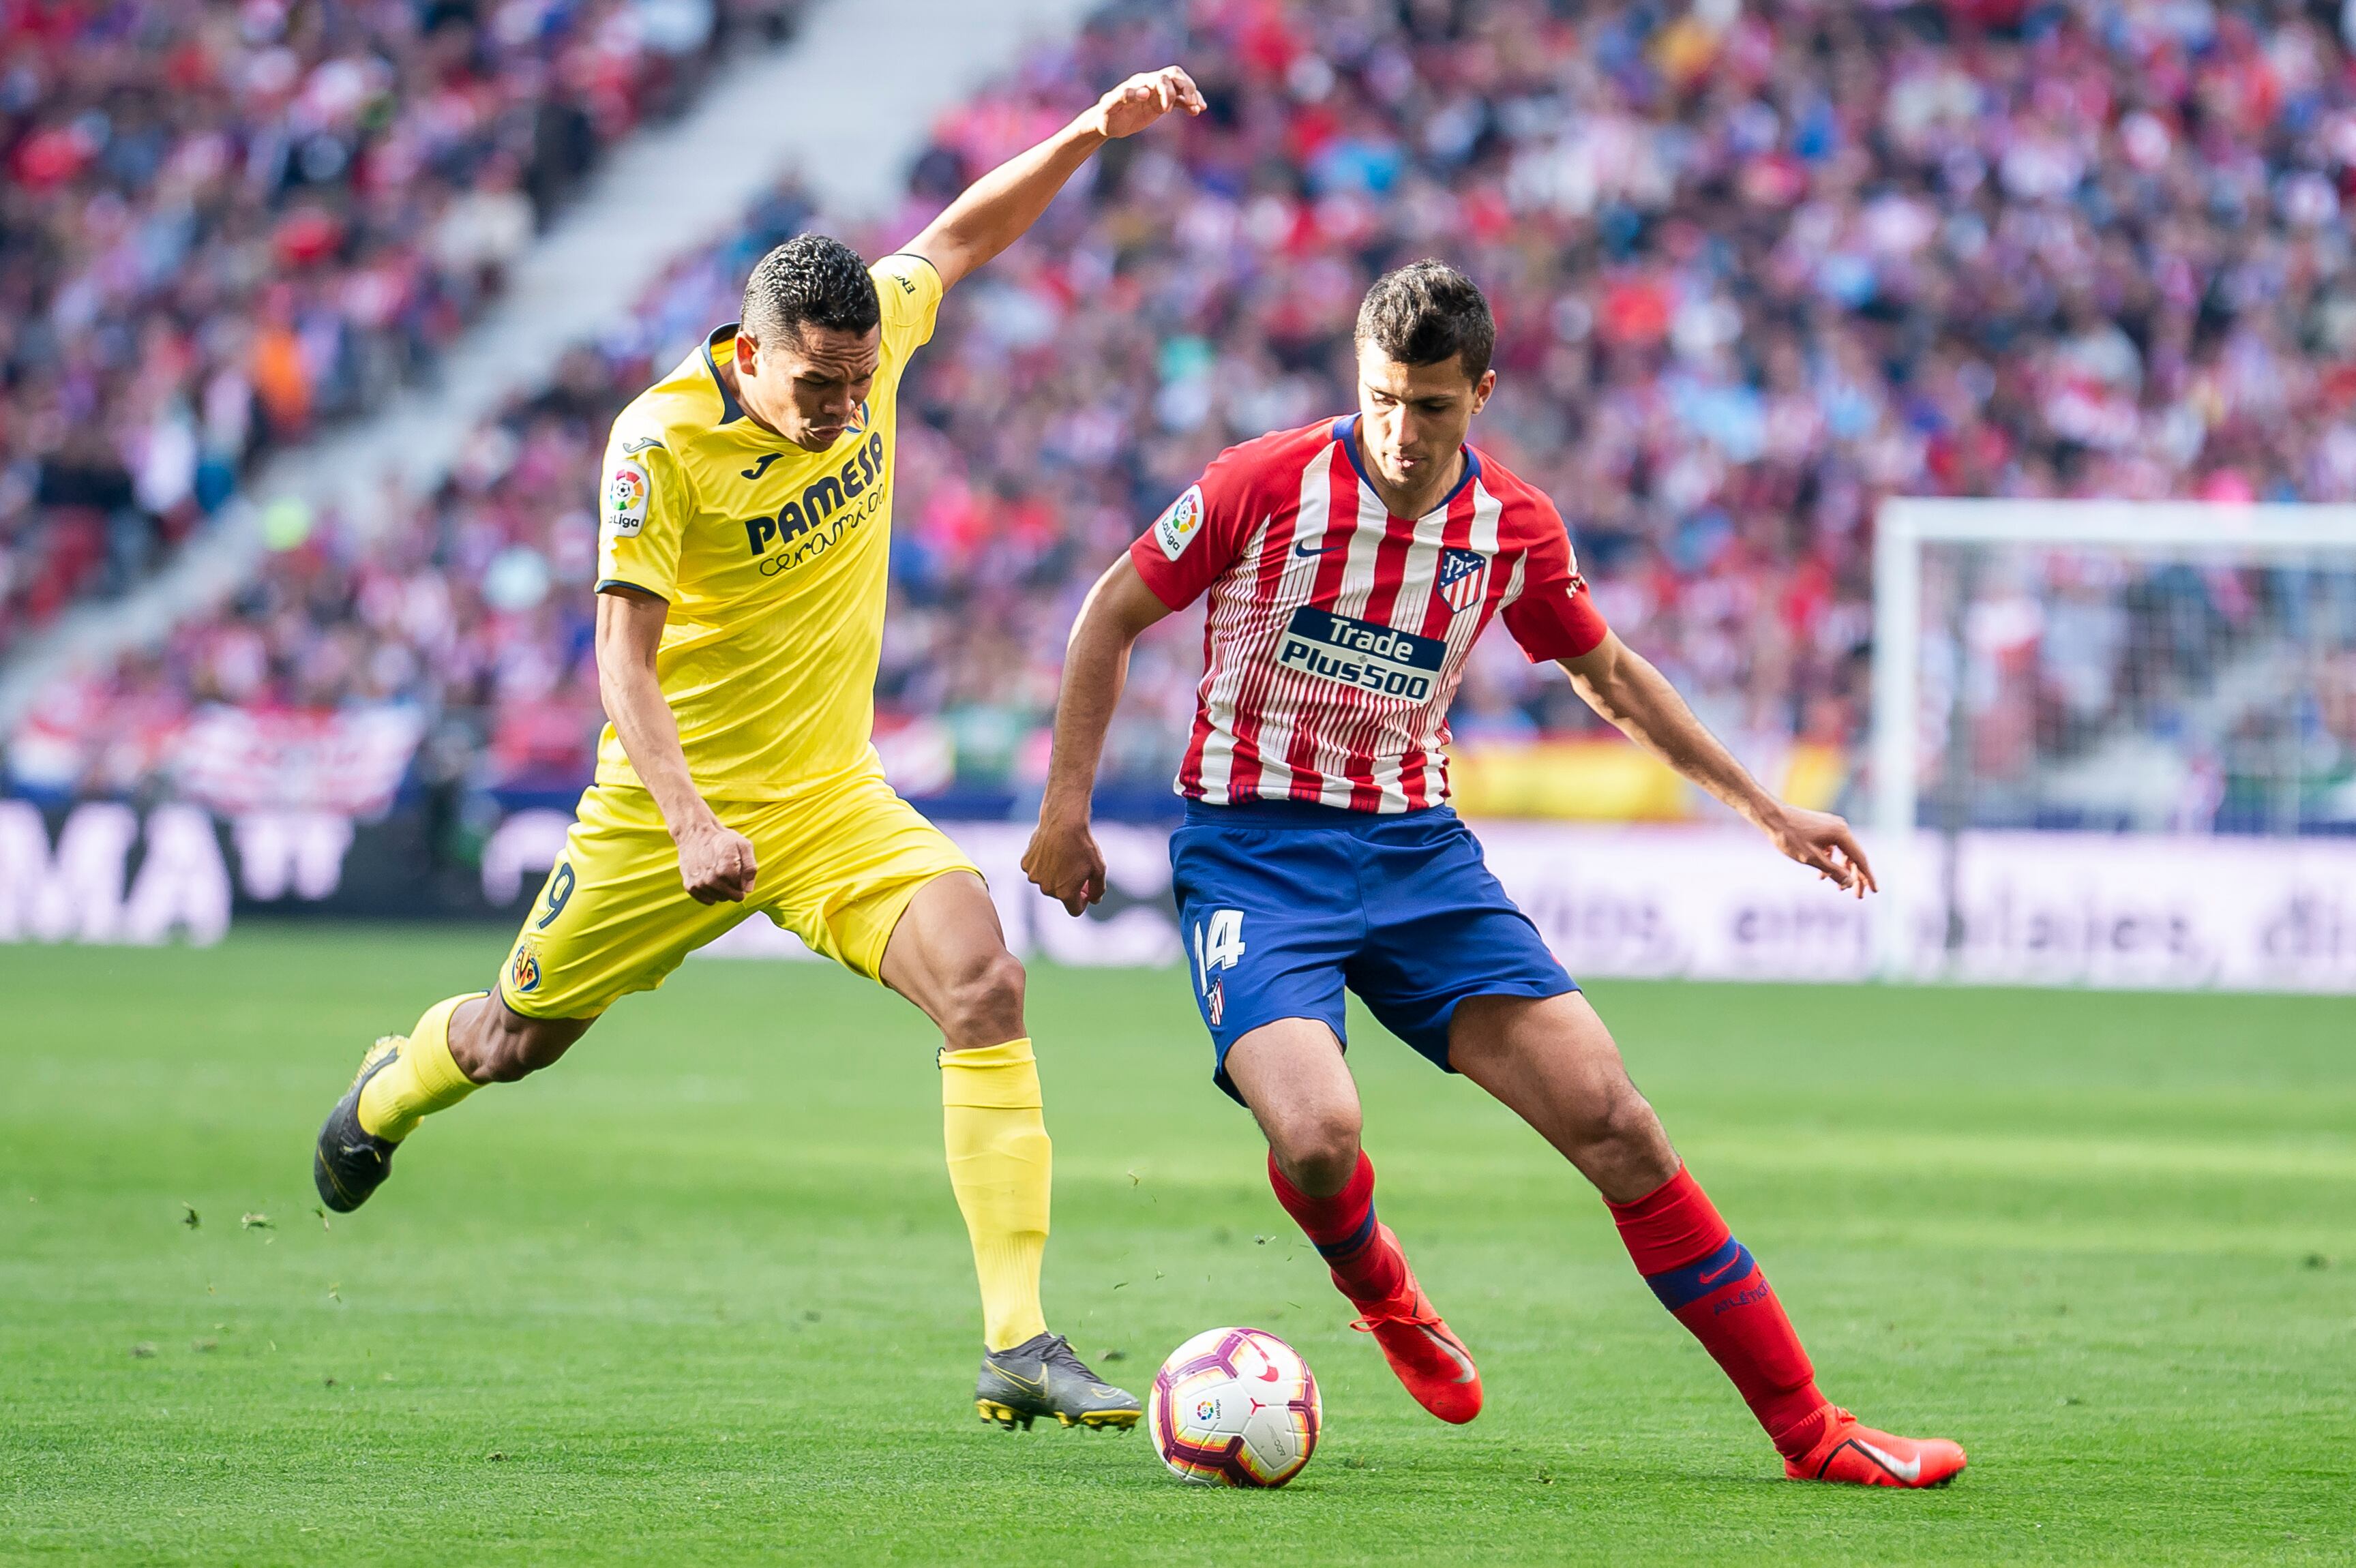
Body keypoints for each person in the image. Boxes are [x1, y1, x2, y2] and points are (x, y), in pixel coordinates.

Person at [313, 65, 1211, 1436]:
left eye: (860, 380)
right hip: (662, 816)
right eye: (818, 382)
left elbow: (959, 236)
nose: (846, 405)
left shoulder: (872, 342)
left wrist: (1089, 132)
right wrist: (681, 819)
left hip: (832, 797)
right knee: (514, 1042)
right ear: (751, 346)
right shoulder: (660, 444)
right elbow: (622, 658)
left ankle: (1017, 1340)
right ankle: (392, 1085)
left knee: (983, 981)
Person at [1022, 260, 1967, 1488]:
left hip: (1420, 861)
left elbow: (1611, 675)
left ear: (1482, 394)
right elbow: (1108, 613)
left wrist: (1765, 808)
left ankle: (1814, 1433)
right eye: (1382, 401)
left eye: (1432, 408)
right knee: (1316, 1137)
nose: (1403, 435)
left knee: (1618, 1123)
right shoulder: (1260, 484)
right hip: (1254, 856)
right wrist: (1065, 810)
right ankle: (1386, 1292)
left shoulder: (1513, 525)